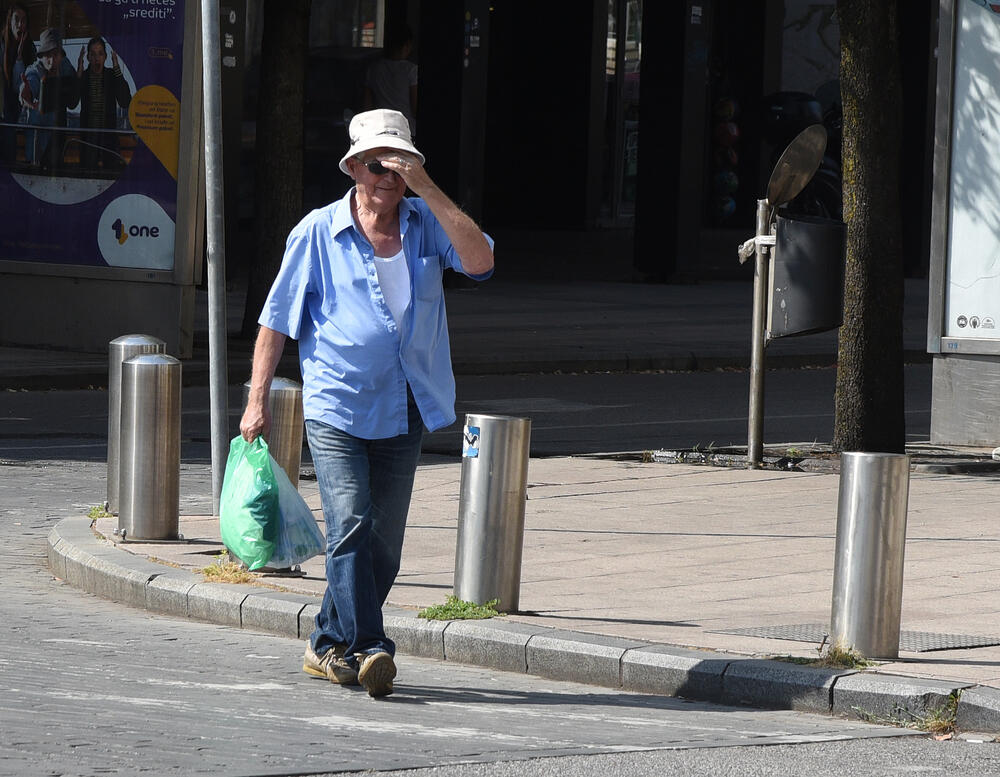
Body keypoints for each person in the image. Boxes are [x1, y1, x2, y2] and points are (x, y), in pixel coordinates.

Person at [239, 109, 494, 697]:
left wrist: (428, 187)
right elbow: (275, 324)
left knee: (384, 542)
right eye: (378, 164)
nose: (389, 177)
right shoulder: (316, 233)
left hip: (406, 401)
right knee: (350, 524)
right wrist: (257, 402)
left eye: (401, 166)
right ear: (354, 167)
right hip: (337, 401)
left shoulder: (425, 222)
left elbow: (480, 261)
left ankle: (327, 642)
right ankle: (373, 645)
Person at [19, 27, 78, 172]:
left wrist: (78, 78)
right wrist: (26, 95)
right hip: (38, 142)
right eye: (47, 56)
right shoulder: (35, 71)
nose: (52, 61)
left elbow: (73, 96)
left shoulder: (65, 66)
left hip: (59, 136)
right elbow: (27, 88)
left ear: (61, 55)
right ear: (40, 56)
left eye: (56, 54)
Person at [76, 36, 131, 172]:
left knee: (110, 173)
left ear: (106, 57)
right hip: (88, 139)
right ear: (87, 57)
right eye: (93, 54)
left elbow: (125, 101)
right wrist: (78, 74)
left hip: (109, 138)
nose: (96, 58)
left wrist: (116, 67)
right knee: (87, 176)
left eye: (100, 53)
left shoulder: (112, 75)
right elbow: (72, 103)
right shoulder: (83, 76)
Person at [363, 24, 417, 137]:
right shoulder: (411, 70)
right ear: (406, 45)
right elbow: (415, 107)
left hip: (380, 129)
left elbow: (367, 106)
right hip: (405, 131)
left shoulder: (373, 69)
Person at [0, 2, 34, 162]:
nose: (21, 24)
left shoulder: (29, 49)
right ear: (9, 22)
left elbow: (17, 87)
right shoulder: (1, 45)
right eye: (17, 19)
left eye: (24, 20)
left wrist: (20, 57)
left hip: (14, 114)